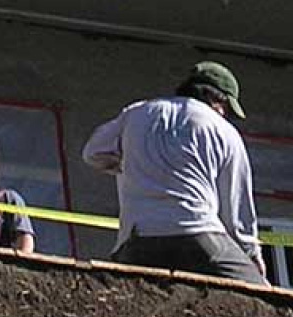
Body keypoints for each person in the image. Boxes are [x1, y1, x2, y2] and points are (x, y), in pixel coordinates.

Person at [82, 61, 267, 284]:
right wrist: (251, 255)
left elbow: (92, 152)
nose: (225, 115)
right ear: (218, 100)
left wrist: (128, 164)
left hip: (137, 240)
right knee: (265, 301)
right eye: (227, 110)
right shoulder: (223, 130)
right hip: (198, 234)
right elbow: (236, 207)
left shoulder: (138, 113)